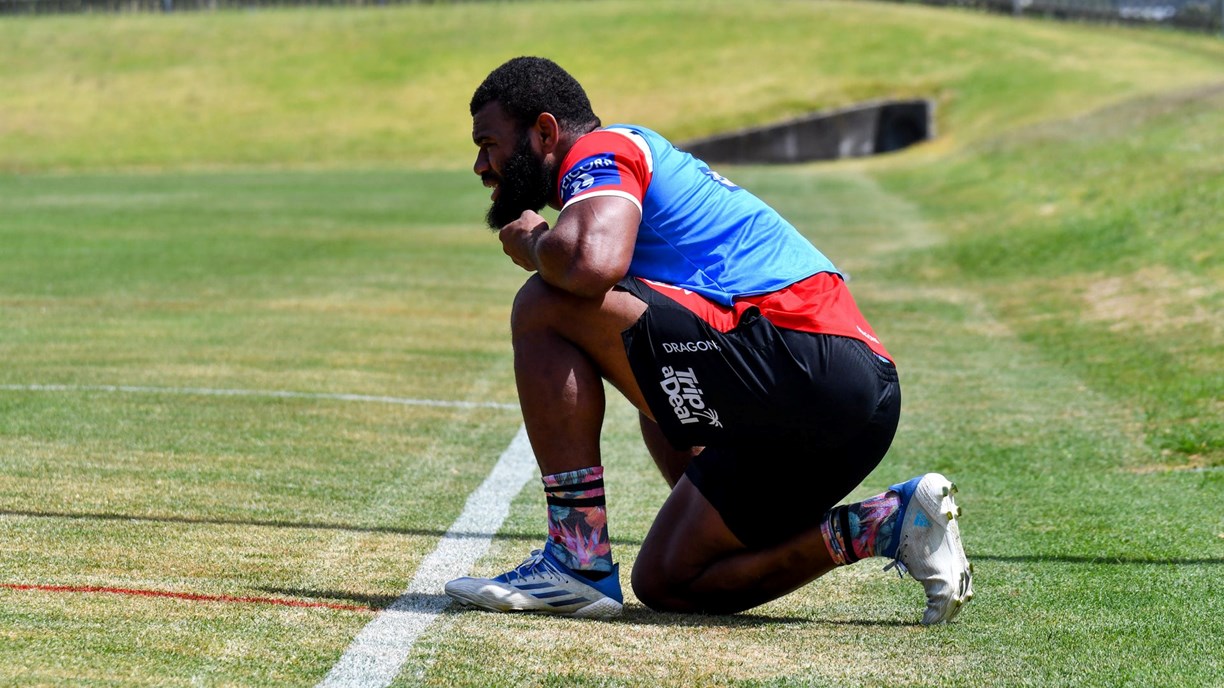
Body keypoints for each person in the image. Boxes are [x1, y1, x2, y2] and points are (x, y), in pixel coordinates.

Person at [444, 56, 973, 623]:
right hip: (847, 405)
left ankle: (576, 557)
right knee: (669, 579)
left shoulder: (602, 150)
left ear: (545, 131)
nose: (482, 164)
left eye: (488, 143)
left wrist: (532, 243)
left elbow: (589, 262)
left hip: (807, 358)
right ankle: (887, 523)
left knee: (545, 302)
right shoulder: (622, 172)